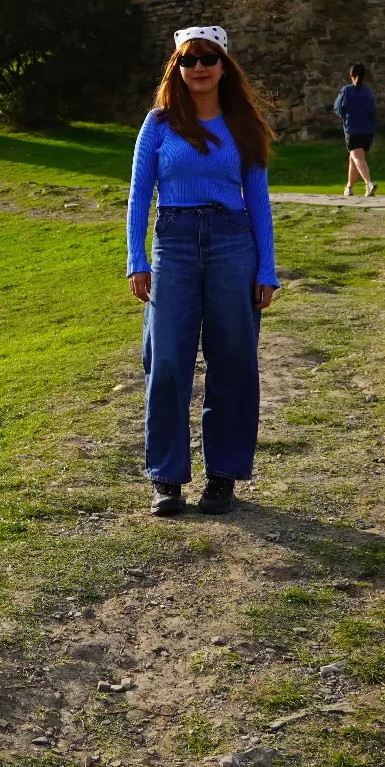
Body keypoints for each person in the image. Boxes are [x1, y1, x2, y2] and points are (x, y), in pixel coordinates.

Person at [126, 25, 278, 518]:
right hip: (174, 242)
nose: (199, 67)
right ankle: (166, 479)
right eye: (190, 59)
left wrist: (267, 269)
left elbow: (257, 199)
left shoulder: (242, 124)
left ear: (223, 65)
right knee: (167, 360)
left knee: (232, 360)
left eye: (209, 58)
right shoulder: (160, 123)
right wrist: (137, 259)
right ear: (177, 66)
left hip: (235, 243)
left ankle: (222, 477)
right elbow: (138, 194)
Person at [332, 64, 378, 197]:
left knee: (358, 158)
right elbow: (372, 110)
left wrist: (346, 118)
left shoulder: (346, 91)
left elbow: (338, 108)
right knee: (353, 158)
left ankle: (369, 183)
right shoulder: (368, 92)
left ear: (351, 75)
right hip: (368, 130)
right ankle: (349, 187)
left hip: (353, 129)